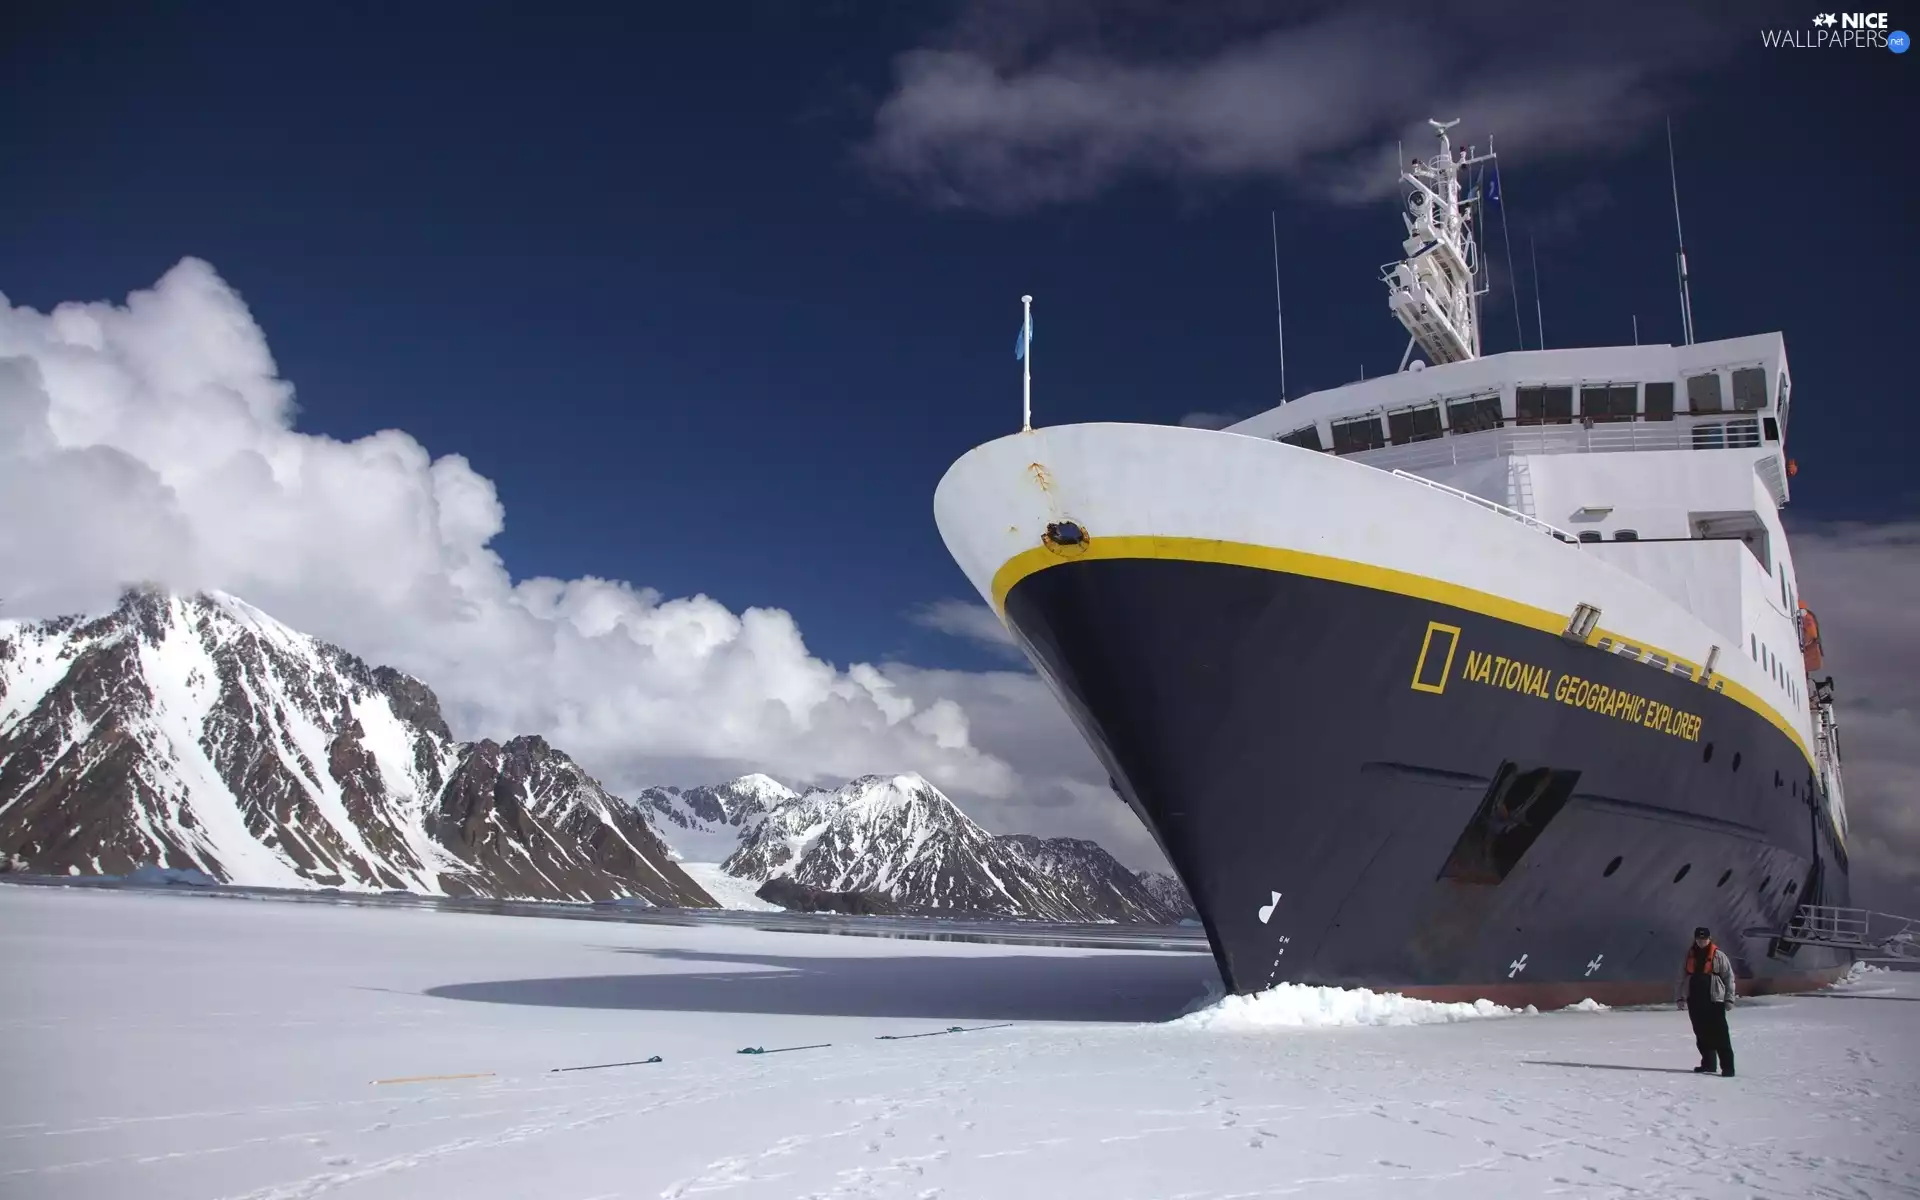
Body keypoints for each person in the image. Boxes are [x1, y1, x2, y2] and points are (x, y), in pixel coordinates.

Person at [1676, 926, 1736, 1076]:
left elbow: (1729, 977)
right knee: (1701, 1032)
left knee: (1720, 1033)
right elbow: (1681, 977)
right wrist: (1680, 997)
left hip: (1714, 999)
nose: (1701, 942)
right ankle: (1708, 1064)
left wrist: (1729, 998)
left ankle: (1728, 1067)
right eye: (1699, 939)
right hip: (1695, 998)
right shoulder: (1689, 955)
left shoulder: (1719, 955)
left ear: (1709, 939)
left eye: (1704, 939)